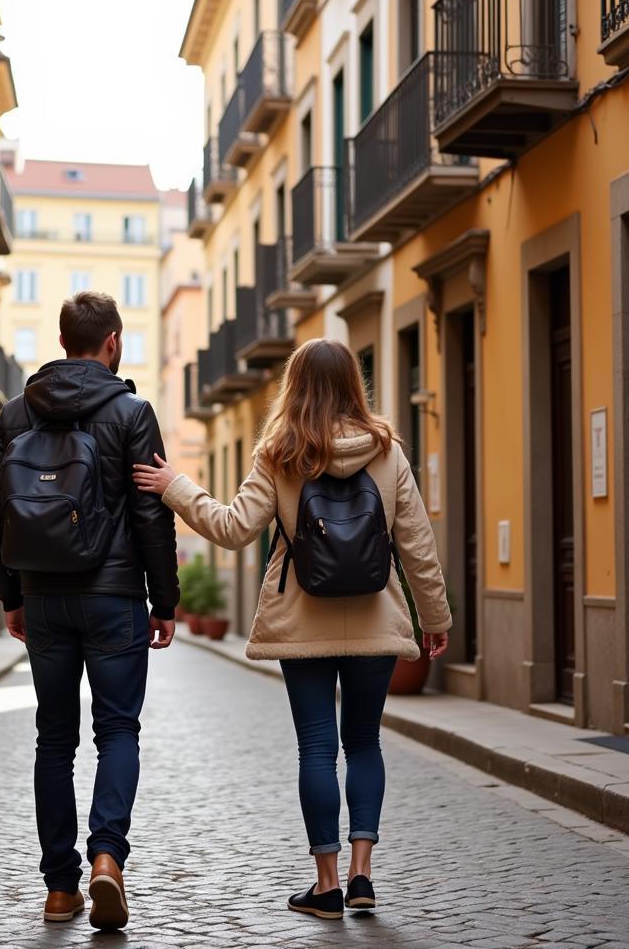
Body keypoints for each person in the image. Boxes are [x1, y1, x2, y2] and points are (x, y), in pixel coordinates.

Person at [134, 338, 451, 921]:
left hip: (302, 624)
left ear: (294, 386)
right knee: (365, 744)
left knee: (316, 746)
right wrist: (435, 620)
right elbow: (418, 547)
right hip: (378, 622)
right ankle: (362, 876)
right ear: (355, 385)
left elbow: (232, 528)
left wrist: (175, 486)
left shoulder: (279, 455)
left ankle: (326, 885)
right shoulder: (388, 453)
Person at [0, 291, 179, 931]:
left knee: (54, 739)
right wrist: (164, 600)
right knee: (117, 731)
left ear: (63, 341)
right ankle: (106, 860)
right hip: (115, 596)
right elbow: (152, 514)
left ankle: (60, 889)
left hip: (43, 599)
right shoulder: (132, 413)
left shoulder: (15, 413)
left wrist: (12, 595)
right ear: (112, 342)